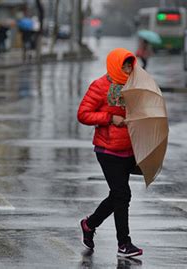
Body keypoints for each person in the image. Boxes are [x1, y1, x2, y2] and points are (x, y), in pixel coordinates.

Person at [77, 48, 143, 258]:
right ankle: (124, 244)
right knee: (122, 195)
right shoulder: (100, 86)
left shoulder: (134, 87)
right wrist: (109, 118)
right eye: (124, 65)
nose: (127, 69)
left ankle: (89, 224)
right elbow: (83, 114)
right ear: (115, 65)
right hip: (107, 150)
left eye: (130, 65)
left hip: (128, 150)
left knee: (118, 195)